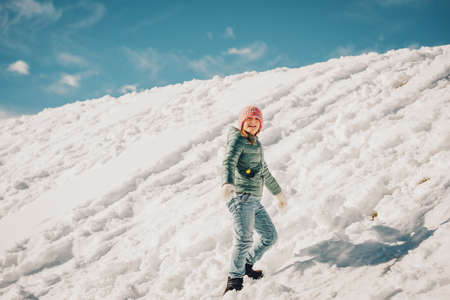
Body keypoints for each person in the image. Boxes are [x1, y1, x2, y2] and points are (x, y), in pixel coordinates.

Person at [222, 106, 287, 295]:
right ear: (242, 122)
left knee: (270, 236)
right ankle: (234, 279)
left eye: (256, 121)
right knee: (243, 239)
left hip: (254, 200)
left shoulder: (255, 144)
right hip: (240, 197)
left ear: (260, 125)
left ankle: (246, 265)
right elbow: (228, 162)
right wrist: (227, 183)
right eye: (249, 120)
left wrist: (278, 193)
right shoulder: (237, 140)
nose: (252, 123)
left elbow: (264, 171)